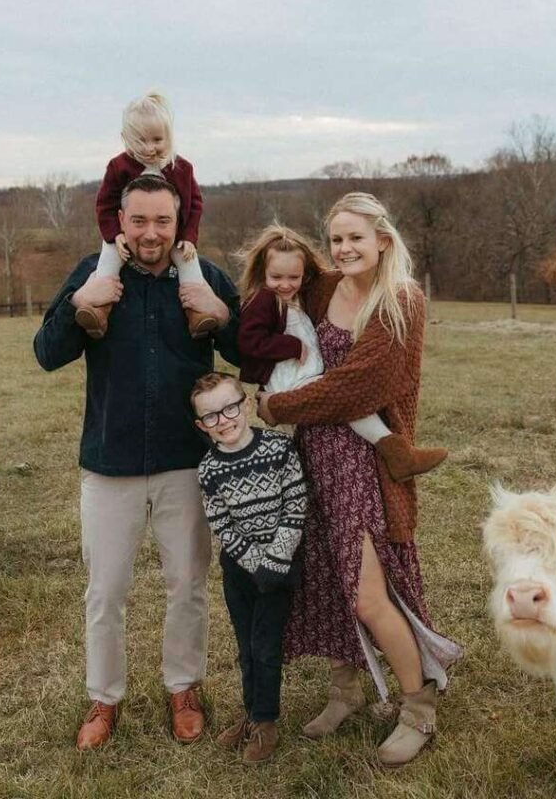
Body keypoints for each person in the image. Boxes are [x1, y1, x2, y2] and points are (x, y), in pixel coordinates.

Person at [33, 175, 240, 751]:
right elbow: (47, 354)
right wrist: (79, 306)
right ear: (120, 222)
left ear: (180, 224)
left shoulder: (205, 276)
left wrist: (221, 313)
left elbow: (248, 352)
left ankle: (183, 688)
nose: (151, 233)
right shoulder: (94, 274)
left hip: (186, 463)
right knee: (105, 591)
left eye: (163, 221)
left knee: (188, 585)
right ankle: (103, 699)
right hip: (110, 463)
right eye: (140, 220)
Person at [257, 192, 462, 768]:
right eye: (337, 239)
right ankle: (344, 693)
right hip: (311, 455)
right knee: (324, 578)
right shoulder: (323, 287)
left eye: (356, 237)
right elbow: (273, 297)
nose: (345, 248)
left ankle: (419, 708)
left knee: (371, 595)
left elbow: (360, 387)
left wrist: (279, 406)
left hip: (363, 468)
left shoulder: (401, 300)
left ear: (383, 241)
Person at [238, 223, 446, 482]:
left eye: (294, 277)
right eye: (276, 277)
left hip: (303, 374)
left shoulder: (300, 295)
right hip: (288, 378)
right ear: (263, 273)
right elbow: (248, 340)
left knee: (344, 396)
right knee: (342, 397)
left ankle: (396, 451)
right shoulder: (264, 300)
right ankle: (397, 453)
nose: (285, 284)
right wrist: (292, 346)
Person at [192, 372, 306, 764]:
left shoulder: (278, 448)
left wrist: (275, 559)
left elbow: (295, 504)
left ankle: (267, 722)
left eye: (230, 408)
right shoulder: (208, 469)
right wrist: (253, 562)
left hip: (280, 566)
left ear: (245, 404)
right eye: (211, 417)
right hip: (240, 569)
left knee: (265, 646)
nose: (224, 420)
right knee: (245, 647)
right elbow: (221, 523)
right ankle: (251, 713)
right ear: (201, 425)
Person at [74, 91, 220, 340]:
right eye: (142, 141)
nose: (150, 148)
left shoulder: (181, 168)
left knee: (189, 264)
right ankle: (98, 311)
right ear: (126, 139)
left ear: (169, 137)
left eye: (157, 140)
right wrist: (114, 235)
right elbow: (105, 204)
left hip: (176, 238)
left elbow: (194, 203)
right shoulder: (118, 167)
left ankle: (196, 315)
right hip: (122, 238)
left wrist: (188, 237)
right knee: (108, 261)